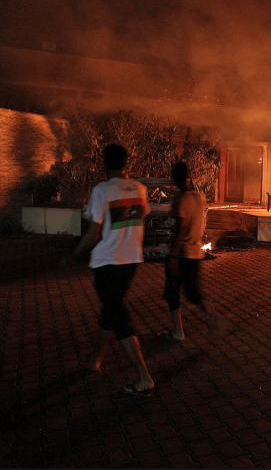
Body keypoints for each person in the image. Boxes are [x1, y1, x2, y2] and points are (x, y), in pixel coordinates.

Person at [60, 144, 154, 396]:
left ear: (105, 163)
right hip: (131, 261)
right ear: (126, 163)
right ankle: (95, 360)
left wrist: (72, 255)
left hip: (107, 262)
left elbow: (94, 233)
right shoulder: (140, 189)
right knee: (112, 309)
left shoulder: (102, 190)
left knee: (119, 316)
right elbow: (141, 219)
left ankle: (144, 377)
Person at [159, 161, 222, 341]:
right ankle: (212, 315)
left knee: (171, 292)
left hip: (181, 254)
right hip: (196, 252)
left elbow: (179, 229)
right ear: (190, 177)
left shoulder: (181, 200)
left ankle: (178, 331)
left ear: (176, 179)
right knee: (193, 293)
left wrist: (172, 256)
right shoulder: (198, 197)